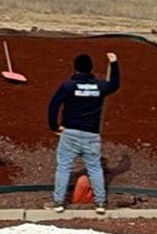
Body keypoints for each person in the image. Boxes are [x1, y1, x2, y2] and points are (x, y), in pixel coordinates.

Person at [45, 52, 121, 214]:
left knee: (64, 168)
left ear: (76, 68)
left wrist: (54, 126)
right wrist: (114, 63)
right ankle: (100, 203)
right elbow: (114, 85)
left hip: (70, 133)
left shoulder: (68, 86)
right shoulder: (99, 86)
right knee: (95, 169)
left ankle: (58, 202)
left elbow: (53, 106)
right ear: (91, 68)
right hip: (91, 135)